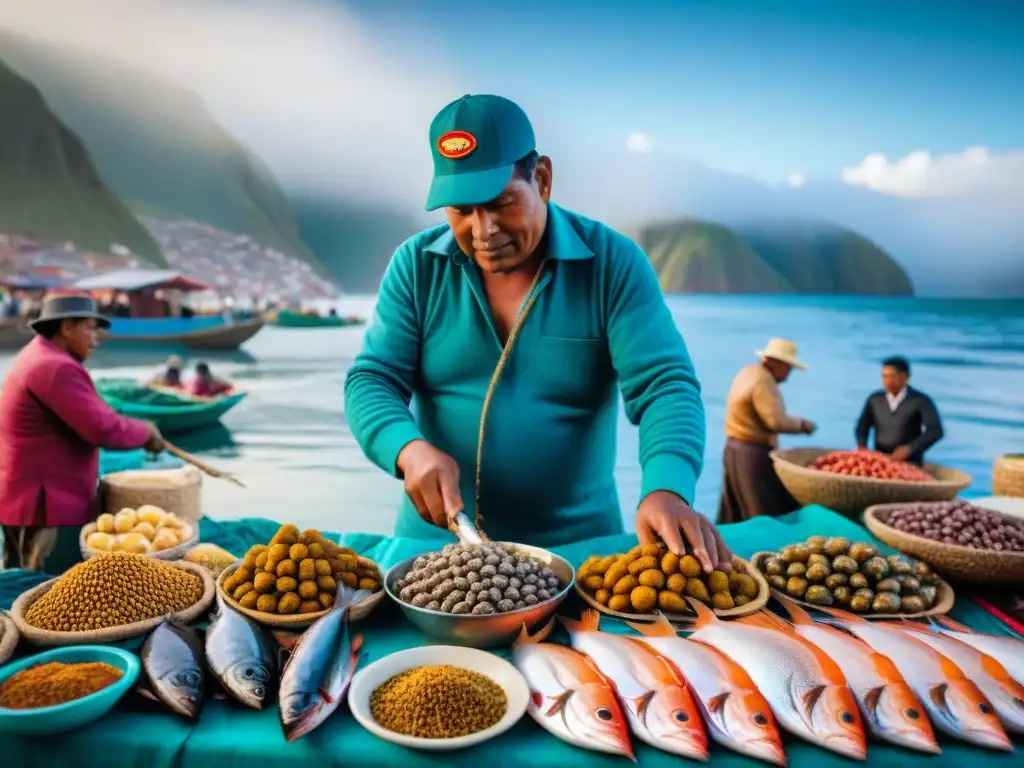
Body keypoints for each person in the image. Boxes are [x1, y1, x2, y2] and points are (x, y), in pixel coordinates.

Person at [344, 94, 730, 570]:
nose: (482, 230)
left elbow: (665, 386)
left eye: (501, 202)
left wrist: (668, 488)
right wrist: (408, 449)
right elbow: (373, 380)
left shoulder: (613, 263)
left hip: (579, 553)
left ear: (542, 179)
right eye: (461, 210)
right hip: (435, 552)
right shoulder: (415, 266)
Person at [0, 295, 164, 571]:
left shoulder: (37, 354)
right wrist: (145, 433)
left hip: (23, 496)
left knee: (22, 582)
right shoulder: (55, 367)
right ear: (66, 328)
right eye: (89, 328)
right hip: (48, 506)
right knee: (48, 591)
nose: (95, 338)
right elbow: (103, 428)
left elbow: (93, 414)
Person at [718, 338, 816, 523]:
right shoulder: (764, 381)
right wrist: (802, 425)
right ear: (776, 363)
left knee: (735, 510)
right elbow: (775, 421)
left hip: (733, 448)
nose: (788, 375)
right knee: (762, 510)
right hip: (752, 453)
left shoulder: (747, 372)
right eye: (788, 368)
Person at [855, 356, 943, 464]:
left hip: (910, 462)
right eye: (884, 376)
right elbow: (862, 425)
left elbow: (935, 431)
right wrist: (862, 445)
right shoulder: (875, 399)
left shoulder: (920, 400)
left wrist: (910, 448)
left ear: (905, 377)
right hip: (880, 460)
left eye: (892, 376)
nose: (887, 381)